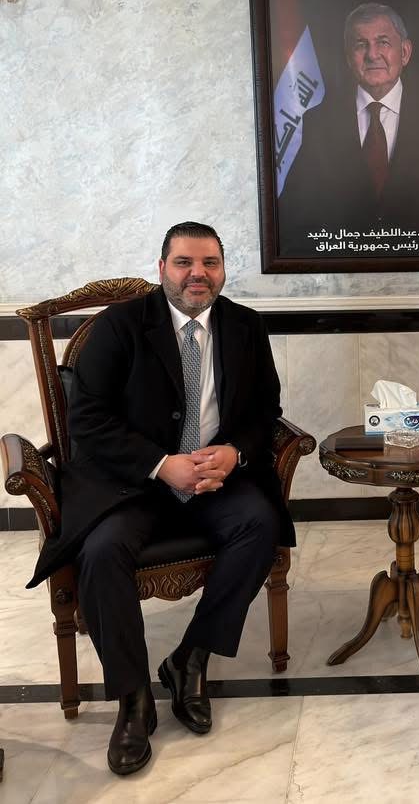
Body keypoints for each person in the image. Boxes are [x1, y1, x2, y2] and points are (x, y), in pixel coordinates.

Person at [28, 222, 294, 776]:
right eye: (184, 262)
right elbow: (88, 421)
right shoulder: (120, 326)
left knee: (260, 524)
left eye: (210, 263)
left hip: (214, 479)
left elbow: (264, 411)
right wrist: (161, 463)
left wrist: (234, 454)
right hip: (133, 483)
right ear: (162, 268)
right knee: (101, 551)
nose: (198, 274)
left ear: (223, 270)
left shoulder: (245, 326)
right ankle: (133, 699)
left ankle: (190, 659)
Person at [277, 2, 419, 257]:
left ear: (405, 52)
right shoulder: (319, 121)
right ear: (349, 57)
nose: (372, 54)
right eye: (361, 44)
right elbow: (295, 213)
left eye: (383, 42)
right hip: (343, 264)